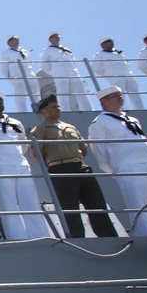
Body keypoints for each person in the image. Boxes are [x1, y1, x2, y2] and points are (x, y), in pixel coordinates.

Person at [88, 86, 147, 236]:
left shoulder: (132, 119)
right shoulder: (100, 122)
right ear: (104, 101)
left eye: (120, 95)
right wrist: (117, 171)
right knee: (138, 207)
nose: (120, 97)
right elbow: (100, 153)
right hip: (128, 167)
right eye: (115, 96)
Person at [30, 95, 118, 238]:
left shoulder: (70, 127)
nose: (57, 108)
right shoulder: (40, 130)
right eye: (53, 106)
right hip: (60, 170)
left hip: (80, 167)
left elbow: (83, 149)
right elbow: (36, 153)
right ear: (44, 111)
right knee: (70, 209)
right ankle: (77, 240)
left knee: (97, 205)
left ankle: (109, 237)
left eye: (58, 106)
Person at [0, 91, 51, 240]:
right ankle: (16, 237)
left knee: (30, 201)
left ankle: (40, 236)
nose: (0, 102)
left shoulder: (15, 122)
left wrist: (17, 158)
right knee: (7, 204)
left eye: (1, 100)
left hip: (20, 164)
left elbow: (23, 144)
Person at [39, 31, 92, 112]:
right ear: (50, 39)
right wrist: (53, 72)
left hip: (72, 71)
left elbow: (73, 61)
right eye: (55, 36)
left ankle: (88, 109)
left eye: (58, 36)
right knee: (62, 92)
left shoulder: (66, 50)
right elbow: (44, 65)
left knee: (81, 90)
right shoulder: (47, 51)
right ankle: (65, 110)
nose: (57, 37)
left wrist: (73, 69)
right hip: (59, 71)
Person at [91, 37, 143, 110]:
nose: (111, 43)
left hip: (128, 75)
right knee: (119, 95)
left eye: (111, 41)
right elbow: (95, 68)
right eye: (108, 42)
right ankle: (123, 110)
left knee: (135, 93)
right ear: (103, 45)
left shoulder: (118, 52)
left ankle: (140, 109)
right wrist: (108, 75)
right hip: (116, 76)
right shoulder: (100, 55)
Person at [0, 34, 38, 113]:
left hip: (29, 73)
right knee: (20, 94)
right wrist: (10, 77)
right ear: (9, 42)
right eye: (15, 39)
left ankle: (38, 107)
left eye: (17, 38)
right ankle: (22, 111)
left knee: (35, 92)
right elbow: (3, 67)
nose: (17, 40)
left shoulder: (25, 51)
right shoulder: (6, 53)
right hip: (17, 74)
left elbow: (30, 63)